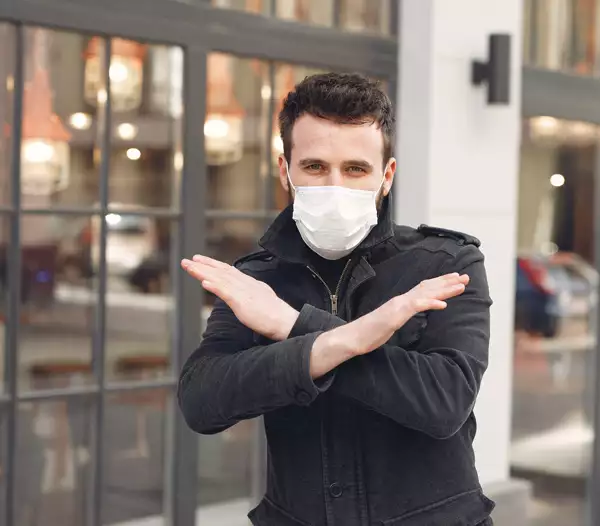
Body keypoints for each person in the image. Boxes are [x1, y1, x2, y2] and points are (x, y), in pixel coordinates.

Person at [178, 72, 494, 526]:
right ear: (285, 171)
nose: (335, 186)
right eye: (314, 167)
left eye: (355, 169)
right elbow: (201, 401)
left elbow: (445, 401)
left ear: (386, 176)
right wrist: (340, 342)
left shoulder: (445, 263)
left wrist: (293, 328)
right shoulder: (257, 278)